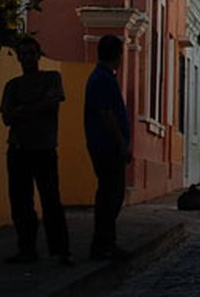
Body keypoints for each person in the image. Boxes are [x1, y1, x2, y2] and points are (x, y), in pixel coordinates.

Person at [0, 36, 73, 266]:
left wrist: (21, 110)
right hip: (18, 149)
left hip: (44, 149)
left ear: (38, 55)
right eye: (24, 54)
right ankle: (27, 249)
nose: (28, 58)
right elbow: (6, 117)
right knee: (21, 203)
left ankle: (60, 251)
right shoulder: (12, 85)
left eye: (31, 53)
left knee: (51, 202)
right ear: (19, 57)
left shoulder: (52, 78)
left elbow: (51, 104)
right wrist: (36, 108)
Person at [84, 34, 131, 261]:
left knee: (110, 195)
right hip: (107, 146)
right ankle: (103, 244)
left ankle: (105, 242)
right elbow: (107, 114)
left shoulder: (102, 77)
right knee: (111, 196)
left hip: (104, 145)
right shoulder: (103, 79)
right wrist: (121, 144)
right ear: (118, 55)